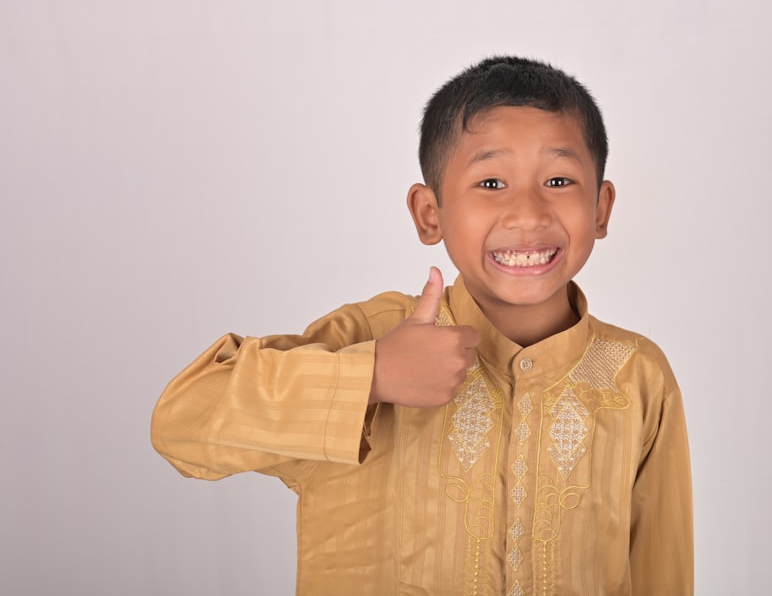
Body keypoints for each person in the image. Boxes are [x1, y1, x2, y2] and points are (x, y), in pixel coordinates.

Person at [151, 56, 693, 595]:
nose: (528, 213)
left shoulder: (635, 378)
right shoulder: (370, 337)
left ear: (601, 208)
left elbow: (661, 576)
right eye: (491, 182)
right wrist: (374, 377)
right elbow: (181, 424)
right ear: (429, 213)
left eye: (557, 179)